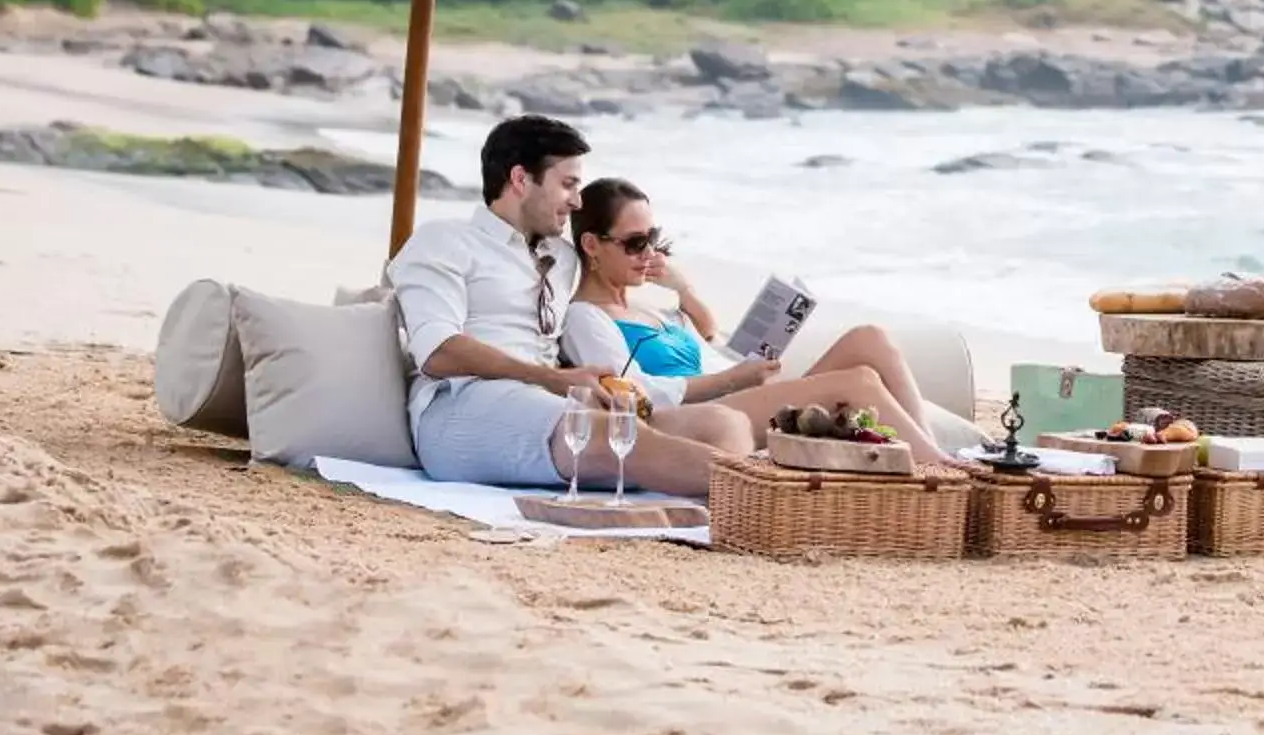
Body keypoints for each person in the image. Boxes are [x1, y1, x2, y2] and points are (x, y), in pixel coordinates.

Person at [387, 116, 746, 495]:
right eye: (568, 185)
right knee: (607, 433)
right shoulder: (444, 241)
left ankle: (734, 506)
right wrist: (554, 379)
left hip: (552, 407)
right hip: (461, 411)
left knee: (722, 423)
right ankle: (767, 496)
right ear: (521, 180)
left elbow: (607, 283)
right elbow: (438, 352)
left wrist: (676, 286)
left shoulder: (561, 257)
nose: (577, 201)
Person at [557, 175, 955, 463]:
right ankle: (941, 470)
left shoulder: (648, 308)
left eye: (654, 240)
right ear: (592, 244)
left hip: (744, 391)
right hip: (706, 417)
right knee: (860, 381)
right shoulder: (585, 318)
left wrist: (684, 289)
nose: (649, 253)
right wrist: (736, 378)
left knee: (870, 338)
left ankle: (933, 453)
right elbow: (638, 395)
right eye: (635, 243)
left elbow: (709, 341)